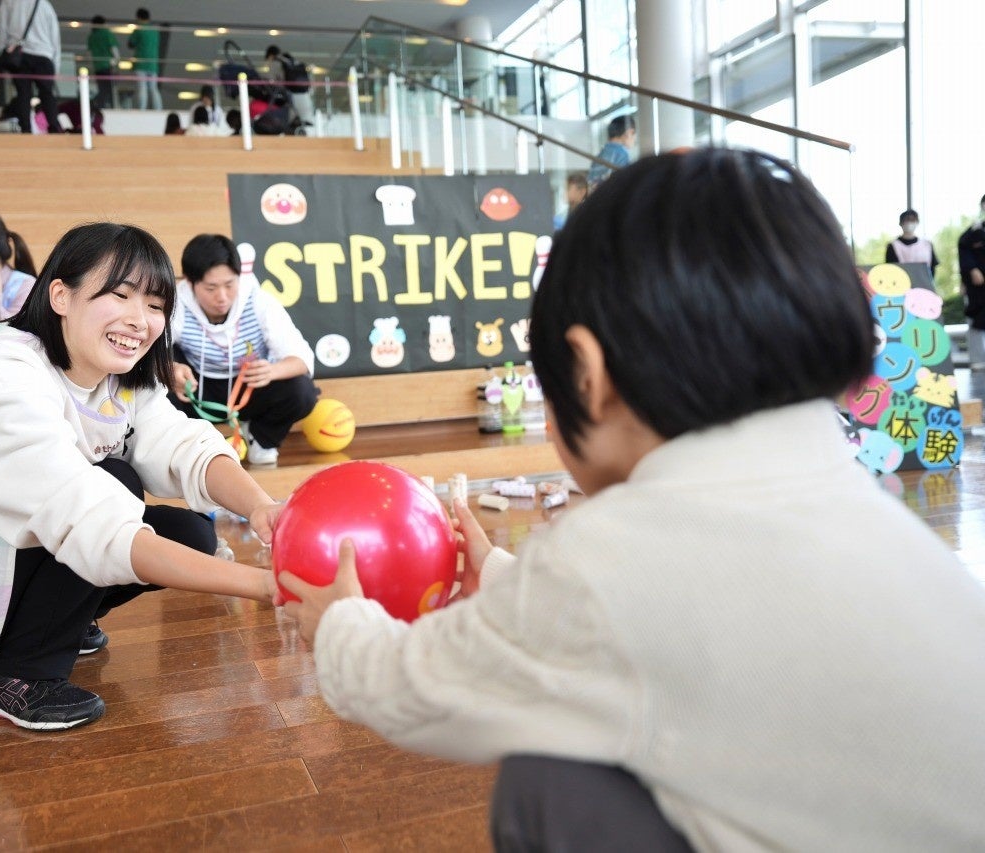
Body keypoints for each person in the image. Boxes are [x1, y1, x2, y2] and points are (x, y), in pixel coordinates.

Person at [280, 148, 985, 850]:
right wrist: (497, 575)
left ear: (587, 374)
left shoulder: (612, 554)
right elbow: (655, 632)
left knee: (550, 782)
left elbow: (413, 689)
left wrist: (341, 625)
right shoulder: (869, 516)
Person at [0, 222, 281, 730]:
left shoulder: (113, 373)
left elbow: (180, 441)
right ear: (61, 295)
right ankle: (14, 675)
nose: (140, 320)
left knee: (192, 532)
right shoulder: (3, 371)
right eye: (121, 295)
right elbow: (81, 515)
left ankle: (49, 624)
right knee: (114, 484)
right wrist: (269, 587)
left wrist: (262, 505)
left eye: (154, 305)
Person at [169, 234, 318, 467]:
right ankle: (186, 448)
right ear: (190, 282)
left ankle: (261, 437)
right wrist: (171, 369)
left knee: (302, 391)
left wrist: (272, 371)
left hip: (248, 387)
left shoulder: (259, 302)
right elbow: (146, 351)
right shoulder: (176, 304)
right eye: (211, 288)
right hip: (196, 390)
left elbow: (303, 359)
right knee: (153, 378)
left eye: (229, 285)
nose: (222, 297)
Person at [0, 0, 61, 134]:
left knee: (23, 94)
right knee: (47, 94)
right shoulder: (45, 5)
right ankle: (54, 127)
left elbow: (2, 29)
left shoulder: (8, 3)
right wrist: (56, 64)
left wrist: (4, 53)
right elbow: (55, 37)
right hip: (44, 55)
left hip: (20, 55)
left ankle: (26, 128)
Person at [958, 195, 985, 369]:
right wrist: (972, 270)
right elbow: (963, 251)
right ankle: (977, 359)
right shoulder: (973, 233)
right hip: (978, 288)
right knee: (976, 321)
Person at [263, 44, 312, 124]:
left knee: (289, 121)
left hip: (290, 95)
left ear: (270, 55)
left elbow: (269, 80)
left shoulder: (275, 63)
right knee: (304, 121)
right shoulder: (291, 60)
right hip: (304, 94)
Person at [586, 114, 635, 189]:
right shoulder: (622, 154)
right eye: (634, 134)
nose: (634, 139)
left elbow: (591, 182)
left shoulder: (600, 155)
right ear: (629, 133)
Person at [127, 7, 161, 110]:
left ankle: (142, 109)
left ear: (139, 17)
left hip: (140, 62)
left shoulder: (139, 29)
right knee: (153, 88)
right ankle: (158, 108)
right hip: (153, 63)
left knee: (142, 87)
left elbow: (130, 44)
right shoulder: (155, 30)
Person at [885, 209, 938, 275]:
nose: (909, 222)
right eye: (906, 219)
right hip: (902, 284)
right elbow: (891, 269)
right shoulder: (893, 246)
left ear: (917, 222)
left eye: (912, 220)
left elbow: (933, 268)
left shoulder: (927, 244)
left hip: (924, 284)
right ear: (900, 223)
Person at [86, 14, 118, 110]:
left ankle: (99, 105)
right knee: (109, 89)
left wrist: (91, 66)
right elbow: (114, 50)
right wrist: (115, 61)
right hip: (107, 65)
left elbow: (89, 53)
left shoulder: (91, 36)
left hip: (97, 66)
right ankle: (107, 106)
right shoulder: (107, 33)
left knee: (102, 88)